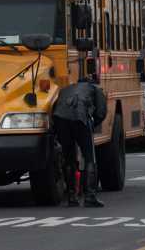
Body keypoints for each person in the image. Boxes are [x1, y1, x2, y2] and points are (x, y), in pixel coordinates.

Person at [52, 77, 108, 207]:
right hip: (80, 118)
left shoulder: (65, 89)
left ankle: (71, 197)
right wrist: (92, 125)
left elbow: (56, 107)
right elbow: (101, 112)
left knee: (69, 158)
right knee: (89, 158)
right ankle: (90, 196)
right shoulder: (94, 89)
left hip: (60, 119)